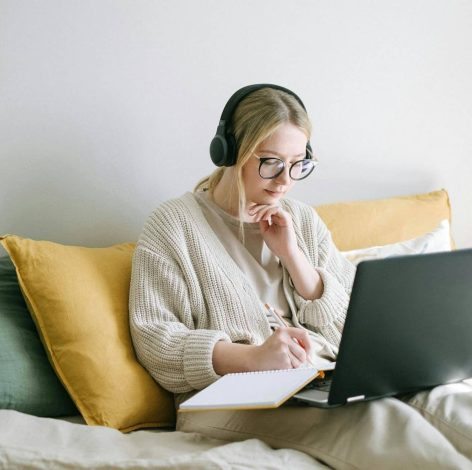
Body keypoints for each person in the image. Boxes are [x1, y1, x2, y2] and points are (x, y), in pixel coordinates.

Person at [129, 84, 472, 469]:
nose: (284, 181)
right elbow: (156, 342)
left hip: (324, 379)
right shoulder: (172, 225)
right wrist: (253, 357)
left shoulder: (301, 220)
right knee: (382, 425)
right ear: (229, 152)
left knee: (449, 401)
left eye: (298, 164)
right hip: (225, 400)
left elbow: (354, 329)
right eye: (271, 162)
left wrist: (295, 259)